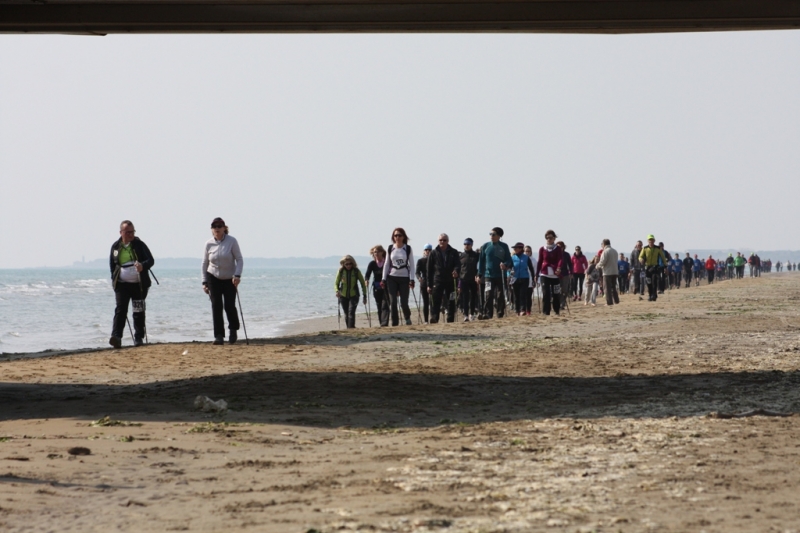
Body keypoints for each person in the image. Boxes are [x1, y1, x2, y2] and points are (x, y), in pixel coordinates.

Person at [109, 220, 155, 348]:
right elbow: (112, 266)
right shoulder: (115, 246)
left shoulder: (140, 244)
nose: (131, 234)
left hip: (139, 284)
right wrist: (114, 281)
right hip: (122, 284)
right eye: (128, 232)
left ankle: (138, 337)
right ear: (121, 232)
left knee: (138, 310)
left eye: (132, 232)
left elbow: (150, 260)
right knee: (120, 310)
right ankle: (116, 337)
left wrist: (142, 266)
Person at [202, 217, 243, 345]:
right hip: (213, 277)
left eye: (219, 226)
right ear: (211, 229)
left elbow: (239, 259)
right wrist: (204, 282)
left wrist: (237, 275)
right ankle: (219, 336)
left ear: (224, 228)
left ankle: (233, 329)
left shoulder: (232, 241)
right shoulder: (208, 244)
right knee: (216, 306)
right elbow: (204, 263)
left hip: (230, 278)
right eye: (214, 226)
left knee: (229, 305)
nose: (217, 228)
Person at [381, 228, 415, 326]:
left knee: (404, 302)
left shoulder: (407, 248)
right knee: (393, 302)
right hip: (392, 277)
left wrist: (412, 279)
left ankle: (407, 318)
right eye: (395, 235)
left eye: (400, 235)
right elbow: (386, 264)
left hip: (404, 277)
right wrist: (383, 279)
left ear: (403, 237)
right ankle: (395, 323)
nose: (397, 237)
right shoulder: (390, 248)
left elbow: (412, 265)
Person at [477, 227, 513, 319]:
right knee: (488, 294)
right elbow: (481, 261)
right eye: (490, 234)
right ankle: (488, 314)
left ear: (499, 236)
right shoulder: (485, 246)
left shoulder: (504, 246)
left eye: (493, 234)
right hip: (488, 275)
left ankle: (500, 313)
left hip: (500, 275)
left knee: (500, 295)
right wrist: (479, 274)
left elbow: (509, 260)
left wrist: (505, 264)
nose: (491, 236)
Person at [427, 233, 460, 323]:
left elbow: (458, 264)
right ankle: (434, 318)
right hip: (438, 280)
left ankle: (450, 319)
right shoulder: (433, 253)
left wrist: (456, 271)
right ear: (438, 241)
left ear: (447, 241)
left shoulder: (454, 252)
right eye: (440, 240)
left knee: (451, 300)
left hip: (450, 280)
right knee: (436, 301)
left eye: (444, 240)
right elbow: (429, 270)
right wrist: (429, 285)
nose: (442, 242)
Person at [536, 230, 564, 315]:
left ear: (554, 238)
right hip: (544, 274)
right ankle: (546, 312)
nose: (549, 239)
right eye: (547, 238)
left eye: (551, 238)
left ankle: (556, 310)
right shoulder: (542, 249)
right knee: (546, 294)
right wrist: (536, 274)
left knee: (556, 294)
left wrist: (559, 267)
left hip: (555, 274)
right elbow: (540, 261)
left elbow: (560, 259)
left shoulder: (557, 249)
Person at [335, 255, 367, 329]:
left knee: (351, 312)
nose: (349, 266)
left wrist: (364, 295)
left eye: (350, 264)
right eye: (347, 264)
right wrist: (337, 291)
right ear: (343, 264)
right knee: (346, 313)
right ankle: (349, 328)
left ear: (353, 263)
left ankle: (351, 328)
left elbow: (363, 284)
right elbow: (336, 283)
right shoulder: (341, 271)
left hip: (354, 295)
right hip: (343, 296)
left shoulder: (356, 271)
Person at [365, 245, 390, 327]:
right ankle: (381, 322)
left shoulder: (387, 262)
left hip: (386, 287)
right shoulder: (372, 264)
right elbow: (367, 274)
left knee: (385, 305)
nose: (376, 253)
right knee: (379, 306)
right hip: (376, 287)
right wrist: (366, 280)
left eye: (378, 251)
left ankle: (385, 323)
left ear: (382, 252)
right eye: (375, 252)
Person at [639, 235, 668, 302]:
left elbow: (663, 257)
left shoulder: (657, 248)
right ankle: (650, 294)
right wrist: (641, 260)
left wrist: (665, 266)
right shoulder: (645, 248)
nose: (651, 241)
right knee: (649, 282)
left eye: (652, 240)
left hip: (655, 267)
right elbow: (640, 256)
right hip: (647, 268)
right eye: (649, 240)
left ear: (654, 241)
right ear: (647, 241)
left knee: (654, 282)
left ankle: (654, 295)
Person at [511, 242, 535, 316]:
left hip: (525, 278)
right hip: (515, 278)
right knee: (516, 295)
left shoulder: (526, 258)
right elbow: (508, 267)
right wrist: (509, 272)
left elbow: (531, 268)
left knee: (522, 295)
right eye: (514, 248)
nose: (515, 249)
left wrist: (533, 278)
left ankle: (522, 310)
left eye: (516, 248)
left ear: (521, 249)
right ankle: (517, 310)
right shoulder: (512, 258)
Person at [459, 239, 480, 321]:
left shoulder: (476, 255)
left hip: (473, 279)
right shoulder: (461, 255)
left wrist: (478, 276)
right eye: (465, 244)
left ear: (471, 245)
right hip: (464, 279)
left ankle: (472, 313)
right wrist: (459, 283)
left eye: (468, 244)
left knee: (473, 297)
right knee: (465, 297)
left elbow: (479, 267)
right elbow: (459, 268)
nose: (466, 246)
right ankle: (466, 315)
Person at [596, 239, 620, 306]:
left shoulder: (605, 251)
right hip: (615, 271)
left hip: (607, 272)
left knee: (607, 288)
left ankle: (609, 302)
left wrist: (597, 266)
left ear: (604, 244)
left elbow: (603, 261)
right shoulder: (615, 251)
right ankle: (616, 300)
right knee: (613, 287)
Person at [415, 244, 433, 324]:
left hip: (433, 282)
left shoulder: (434, 260)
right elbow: (417, 272)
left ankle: (433, 317)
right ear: (424, 251)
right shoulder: (420, 261)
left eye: (429, 250)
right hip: (424, 282)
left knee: (432, 301)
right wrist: (419, 278)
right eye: (426, 250)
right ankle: (426, 320)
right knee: (426, 302)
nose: (428, 251)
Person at [556, 241, 572, 309]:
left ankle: (563, 303)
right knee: (557, 289)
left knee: (565, 289)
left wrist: (571, 273)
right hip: (556, 274)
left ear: (563, 247)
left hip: (565, 274)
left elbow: (570, 264)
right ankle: (558, 303)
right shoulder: (554, 254)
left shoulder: (566, 254)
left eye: (560, 247)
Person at [524, 245, 538, 313]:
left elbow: (535, 271)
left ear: (531, 252)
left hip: (530, 281)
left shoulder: (534, 260)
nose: (527, 253)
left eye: (528, 251)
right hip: (522, 280)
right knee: (522, 296)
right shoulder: (522, 259)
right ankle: (522, 309)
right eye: (526, 251)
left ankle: (528, 310)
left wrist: (536, 280)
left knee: (528, 296)